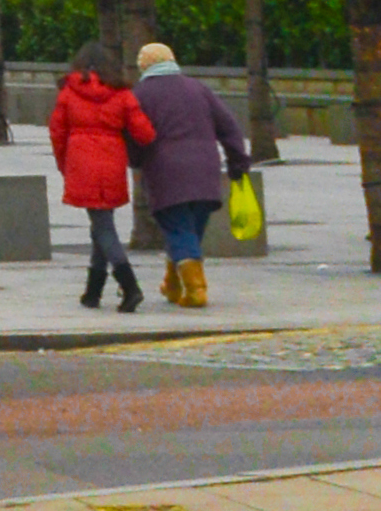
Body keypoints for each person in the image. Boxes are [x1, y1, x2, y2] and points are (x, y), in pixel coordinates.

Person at [129, 40, 253, 307]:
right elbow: (229, 126)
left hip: (166, 173)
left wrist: (135, 161)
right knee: (190, 230)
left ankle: (196, 290)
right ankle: (172, 285)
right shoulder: (198, 88)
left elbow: (135, 137)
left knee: (178, 229)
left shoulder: (140, 94)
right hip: (206, 171)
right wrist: (238, 161)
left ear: (143, 65)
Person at [47, 43, 155, 312]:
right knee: (102, 221)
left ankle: (130, 287)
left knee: (103, 226)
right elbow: (145, 133)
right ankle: (93, 291)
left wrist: (64, 164)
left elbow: (57, 133)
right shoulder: (121, 93)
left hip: (81, 159)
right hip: (112, 160)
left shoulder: (68, 93)